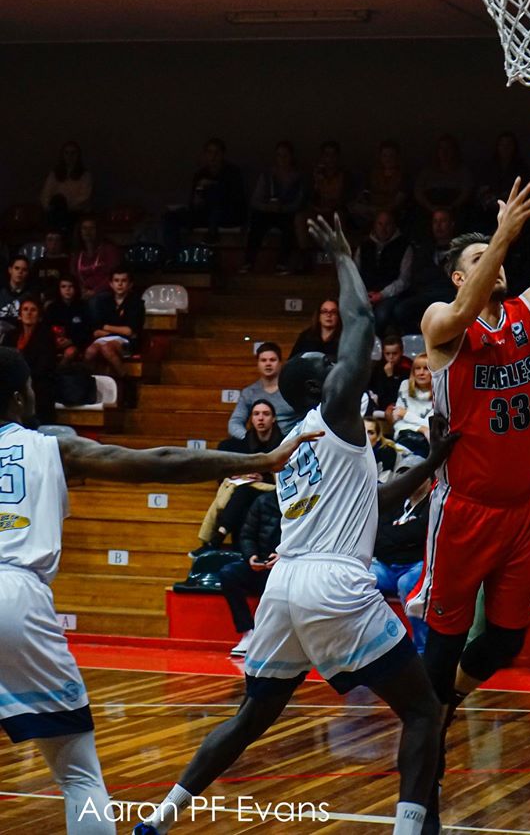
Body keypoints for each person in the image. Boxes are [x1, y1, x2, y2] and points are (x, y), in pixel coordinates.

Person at [133, 214, 460, 835]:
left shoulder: (299, 445)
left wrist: (435, 461)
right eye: (327, 364)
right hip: (333, 583)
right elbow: (362, 325)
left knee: (252, 717)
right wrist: (343, 256)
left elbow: (375, 502)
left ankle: (158, 819)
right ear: (321, 385)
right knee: (423, 711)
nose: (339, 364)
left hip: (285, 588)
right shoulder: (334, 414)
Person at [0, 345, 318, 835]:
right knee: (78, 774)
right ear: (23, 395)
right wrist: (264, 458)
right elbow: (163, 461)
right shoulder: (51, 448)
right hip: (16, 594)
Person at [409, 157, 530, 834]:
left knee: (508, 642)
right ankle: (421, 799)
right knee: (441, 649)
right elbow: (460, 308)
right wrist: (501, 237)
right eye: (481, 259)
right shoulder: (443, 321)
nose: (498, 264)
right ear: (464, 274)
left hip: (522, 511)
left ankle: (445, 704)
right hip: (462, 509)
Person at [194, 400, 284, 556]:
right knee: (242, 496)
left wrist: (263, 479)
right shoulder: (241, 445)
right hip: (248, 488)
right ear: (251, 419)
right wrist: (236, 473)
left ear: (274, 419)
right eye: (256, 414)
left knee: (242, 492)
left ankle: (215, 539)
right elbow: (224, 473)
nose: (260, 418)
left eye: (266, 414)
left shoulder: (283, 443)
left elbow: (285, 476)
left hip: (273, 489)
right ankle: (223, 542)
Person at [372, 454, 433, 654]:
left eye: (413, 475)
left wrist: (396, 535)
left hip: (418, 565)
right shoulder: (393, 502)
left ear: (427, 477)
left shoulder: (433, 504)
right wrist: (403, 537)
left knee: (407, 585)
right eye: (404, 475)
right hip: (387, 565)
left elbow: (419, 534)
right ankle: (374, 644)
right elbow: (377, 537)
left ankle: (422, 650)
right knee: (360, 578)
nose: (408, 480)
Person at [220, 490, 281, 658]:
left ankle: (273, 639)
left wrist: (284, 555)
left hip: (288, 566)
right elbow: (247, 535)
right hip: (261, 564)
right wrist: (251, 556)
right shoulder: (263, 501)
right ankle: (247, 632)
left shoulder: (304, 503)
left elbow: (306, 538)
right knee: (228, 574)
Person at [393, 208, 458, 334]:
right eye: (435, 222)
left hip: (450, 294)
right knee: (400, 310)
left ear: (451, 224)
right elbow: (417, 277)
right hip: (426, 294)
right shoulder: (424, 248)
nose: (438, 226)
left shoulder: (461, 250)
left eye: (443, 221)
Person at [244, 140, 304, 275]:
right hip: (267, 213)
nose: (282, 159)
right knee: (257, 223)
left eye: (285, 156)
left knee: (290, 227)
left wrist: (282, 208)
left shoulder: (298, 178)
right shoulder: (267, 176)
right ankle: (248, 262)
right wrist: (268, 207)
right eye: (279, 155)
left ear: (291, 157)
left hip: (287, 213)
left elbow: (298, 202)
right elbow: (255, 200)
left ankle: (282, 263)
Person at [355, 210, 415, 334]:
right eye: (380, 224)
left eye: (388, 224)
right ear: (374, 225)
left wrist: (381, 295)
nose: (383, 228)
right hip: (365, 294)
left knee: (380, 316)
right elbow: (355, 274)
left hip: (390, 295)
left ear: (394, 225)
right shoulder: (364, 246)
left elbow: (404, 280)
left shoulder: (404, 246)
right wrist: (363, 293)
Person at [0, 296, 57, 422]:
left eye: (33, 310)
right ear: (20, 315)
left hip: (37, 382)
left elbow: (45, 366)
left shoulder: (46, 337)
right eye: (25, 309)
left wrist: (23, 376)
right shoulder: (10, 335)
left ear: (40, 316)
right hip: (13, 382)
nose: (29, 313)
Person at [83, 265, 145, 378]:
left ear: (130, 284)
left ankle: (125, 378)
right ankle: (89, 382)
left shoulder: (136, 303)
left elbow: (129, 331)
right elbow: (96, 330)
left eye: (123, 281)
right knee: (90, 351)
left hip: (127, 341)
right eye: (116, 281)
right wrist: (115, 330)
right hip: (104, 338)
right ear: (111, 284)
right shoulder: (102, 301)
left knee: (107, 348)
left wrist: (106, 327)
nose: (120, 284)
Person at [227, 342, 298, 439]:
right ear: (258, 364)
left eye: (272, 360)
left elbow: (308, 418)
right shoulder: (249, 393)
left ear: (280, 363)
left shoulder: (294, 390)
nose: (268, 364)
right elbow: (235, 422)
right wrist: (249, 439)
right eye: (263, 360)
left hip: (290, 445)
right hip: (259, 446)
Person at [414, 133, 474, 220]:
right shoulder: (427, 171)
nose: (444, 152)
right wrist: (430, 207)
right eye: (441, 148)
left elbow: (467, 190)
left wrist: (452, 207)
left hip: (455, 210)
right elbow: (417, 191)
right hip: (429, 209)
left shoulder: (462, 171)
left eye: (448, 148)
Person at [40, 141, 92, 234]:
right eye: (66, 153)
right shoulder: (54, 174)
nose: (69, 156)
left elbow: (85, 197)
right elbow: (46, 194)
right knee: (57, 203)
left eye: (73, 153)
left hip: (75, 213)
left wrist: (66, 205)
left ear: (78, 155)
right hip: (55, 211)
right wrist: (50, 206)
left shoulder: (85, 175)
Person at [70, 216, 122, 300]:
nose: (88, 232)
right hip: (82, 291)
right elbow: (73, 276)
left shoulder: (109, 250)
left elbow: (114, 276)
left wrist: (95, 291)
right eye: (84, 228)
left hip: (104, 291)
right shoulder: (77, 254)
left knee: (96, 300)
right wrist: (81, 290)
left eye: (92, 228)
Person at [392, 352, 434, 456]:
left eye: (426, 369)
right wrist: (422, 429)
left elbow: (433, 427)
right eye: (417, 368)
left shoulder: (440, 393)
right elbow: (397, 422)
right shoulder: (405, 386)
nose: (421, 373)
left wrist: (406, 415)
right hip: (405, 438)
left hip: (428, 443)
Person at [45, 273, 90, 361]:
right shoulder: (52, 308)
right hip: (54, 343)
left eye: (70, 286)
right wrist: (55, 340)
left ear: (76, 288)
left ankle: (57, 373)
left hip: (76, 344)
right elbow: (46, 328)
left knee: (70, 352)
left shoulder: (83, 306)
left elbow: (87, 330)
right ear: (59, 289)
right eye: (64, 286)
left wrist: (71, 341)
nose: (67, 290)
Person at [369, 335, 411, 412]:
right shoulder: (376, 369)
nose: (391, 357)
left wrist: (390, 377)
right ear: (383, 353)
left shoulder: (407, 368)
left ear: (401, 352)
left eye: (395, 353)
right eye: (387, 354)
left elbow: (397, 397)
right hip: (379, 409)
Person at [0, 254, 36, 339]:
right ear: (10, 270)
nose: (20, 272)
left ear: (27, 273)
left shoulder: (31, 296)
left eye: (24, 270)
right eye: (17, 268)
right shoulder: (1, 291)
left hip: (18, 337)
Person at [366, 415, 410, 483]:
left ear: (378, 437)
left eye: (370, 433)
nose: (366, 436)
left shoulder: (387, 452)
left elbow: (383, 484)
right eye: (362, 431)